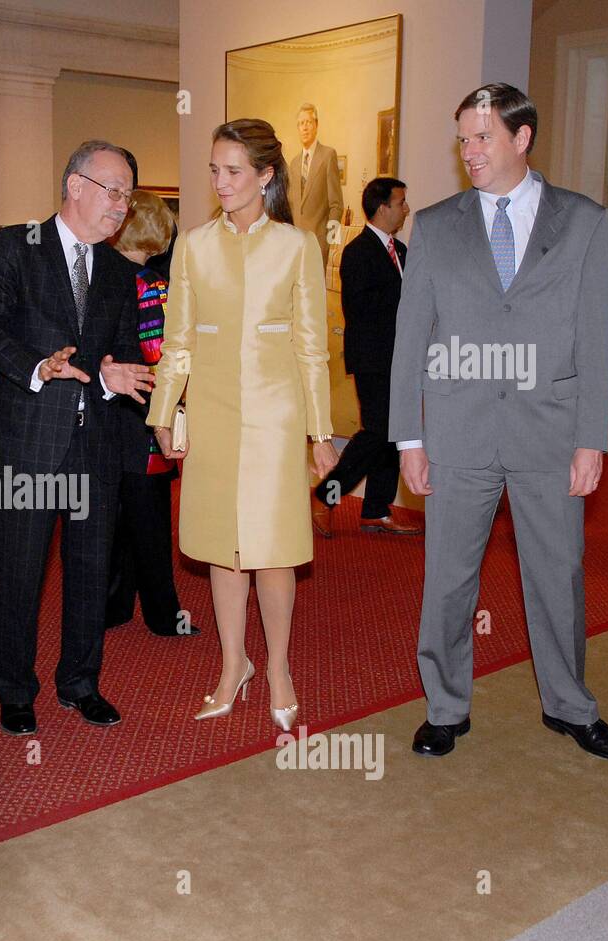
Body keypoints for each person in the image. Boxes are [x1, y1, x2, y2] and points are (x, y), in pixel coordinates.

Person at [390, 83, 608, 761]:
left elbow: (594, 340)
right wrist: (410, 435)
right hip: (457, 433)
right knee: (448, 579)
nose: (469, 151)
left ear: (523, 138)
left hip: (550, 434)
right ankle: (445, 707)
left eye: (483, 137)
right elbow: (412, 339)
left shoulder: (582, 221)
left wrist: (592, 438)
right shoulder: (436, 225)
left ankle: (569, 706)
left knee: (559, 576)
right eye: (462, 137)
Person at [148, 119, 337, 729]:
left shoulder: (297, 246)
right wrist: (164, 413)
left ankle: (278, 667)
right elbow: (176, 342)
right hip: (211, 414)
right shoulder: (192, 246)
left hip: (277, 419)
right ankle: (234, 665)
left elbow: (312, 348)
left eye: (233, 171)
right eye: (214, 170)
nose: (220, 182)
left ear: (265, 176)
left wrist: (320, 432)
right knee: (221, 552)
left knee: (274, 550)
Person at [0, 139, 156, 736]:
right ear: (75, 186)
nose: (122, 206)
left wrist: (111, 376)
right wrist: (36, 366)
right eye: (113, 190)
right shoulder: (15, 245)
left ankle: (80, 683)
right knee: (19, 573)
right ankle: (14, 690)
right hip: (26, 442)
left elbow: (120, 357)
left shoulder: (122, 272)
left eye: (128, 195)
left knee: (89, 573)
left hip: (94, 445)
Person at [106, 190, 199, 637]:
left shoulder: (100, 277)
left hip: (108, 419)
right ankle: (163, 615)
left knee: (118, 521)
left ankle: (115, 604)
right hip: (146, 419)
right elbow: (161, 353)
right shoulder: (152, 286)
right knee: (152, 525)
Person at [311, 177, 422, 537]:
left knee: (394, 433)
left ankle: (376, 508)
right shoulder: (359, 252)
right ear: (381, 207)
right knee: (377, 432)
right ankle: (325, 496)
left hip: (401, 359)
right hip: (374, 358)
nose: (406, 209)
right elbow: (359, 309)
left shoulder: (401, 252)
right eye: (401, 202)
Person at [287, 104, 344, 265]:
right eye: (301, 123)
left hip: (318, 243)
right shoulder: (294, 163)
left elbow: (336, 204)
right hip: (295, 244)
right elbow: (291, 205)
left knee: (316, 288)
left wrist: (330, 241)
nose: (304, 128)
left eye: (308, 122)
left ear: (316, 125)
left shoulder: (328, 155)